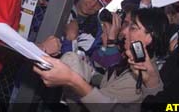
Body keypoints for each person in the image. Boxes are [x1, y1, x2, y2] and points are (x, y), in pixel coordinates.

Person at [33, 7, 170, 112]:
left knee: (70, 59)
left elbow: (99, 106)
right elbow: (106, 79)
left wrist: (72, 78)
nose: (123, 32)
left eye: (132, 28)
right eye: (126, 25)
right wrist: (92, 73)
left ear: (149, 38)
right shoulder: (134, 62)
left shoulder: (139, 77)